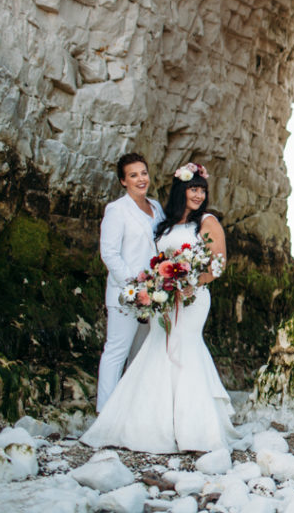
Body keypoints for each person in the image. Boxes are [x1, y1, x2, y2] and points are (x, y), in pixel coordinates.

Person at [80, 162, 238, 453]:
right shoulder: (166, 222)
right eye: (193, 189)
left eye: (202, 191)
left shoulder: (208, 222)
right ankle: (149, 424)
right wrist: (158, 286)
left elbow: (218, 264)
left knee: (185, 348)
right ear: (181, 189)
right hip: (163, 299)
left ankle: (195, 429)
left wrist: (193, 281)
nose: (198, 196)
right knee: (156, 351)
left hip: (191, 299)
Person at [96, 153, 164, 413]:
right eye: (133, 175)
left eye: (143, 173)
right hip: (125, 294)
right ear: (123, 181)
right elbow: (109, 254)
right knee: (116, 352)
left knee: (141, 355)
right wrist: (134, 286)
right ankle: (105, 413)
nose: (140, 179)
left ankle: (131, 414)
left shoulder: (157, 208)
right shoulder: (117, 210)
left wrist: (156, 286)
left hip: (154, 296)